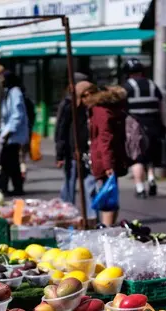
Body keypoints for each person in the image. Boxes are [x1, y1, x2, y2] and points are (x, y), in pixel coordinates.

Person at [84, 84, 131, 227]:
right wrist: (109, 164)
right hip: (109, 159)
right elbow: (107, 139)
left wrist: (108, 164)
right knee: (110, 198)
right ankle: (106, 230)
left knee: (108, 198)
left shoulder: (100, 110)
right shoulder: (110, 111)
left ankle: (106, 230)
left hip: (104, 159)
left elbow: (105, 140)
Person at [55, 74, 97, 223]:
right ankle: (68, 215)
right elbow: (61, 130)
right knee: (69, 184)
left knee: (89, 185)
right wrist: (60, 154)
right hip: (71, 152)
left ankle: (91, 217)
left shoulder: (92, 107)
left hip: (88, 152)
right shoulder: (68, 106)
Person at [121, 58, 165, 198]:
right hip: (154, 125)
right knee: (150, 156)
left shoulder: (126, 87)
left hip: (135, 128)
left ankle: (140, 188)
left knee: (137, 158)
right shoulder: (153, 85)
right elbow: (161, 107)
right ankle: (151, 179)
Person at [0, 71, 29, 196]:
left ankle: (5, 187)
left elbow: (17, 114)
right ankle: (14, 186)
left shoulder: (15, 92)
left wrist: (8, 132)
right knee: (11, 163)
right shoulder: (9, 92)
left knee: (7, 161)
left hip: (13, 135)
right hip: (9, 133)